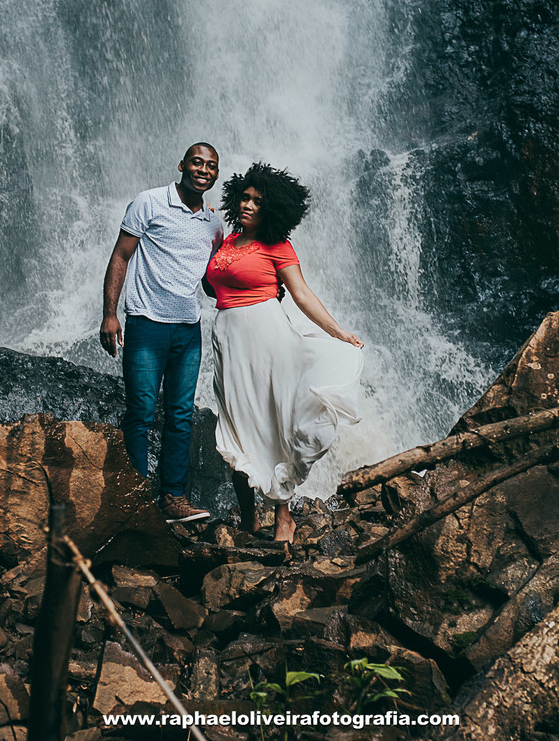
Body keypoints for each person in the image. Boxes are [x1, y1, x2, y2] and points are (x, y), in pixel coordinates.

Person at [205, 162, 364, 543]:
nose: (248, 205)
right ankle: (248, 519)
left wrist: (338, 331)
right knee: (234, 426)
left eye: (258, 202)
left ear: (271, 209)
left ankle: (283, 518)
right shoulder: (225, 242)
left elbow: (302, 294)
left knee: (271, 422)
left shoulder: (278, 246)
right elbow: (214, 289)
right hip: (228, 339)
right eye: (244, 197)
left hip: (267, 337)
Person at [100, 143, 222, 523]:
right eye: (198, 162)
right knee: (141, 411)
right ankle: (136, 498)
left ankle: (172, 498)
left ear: (216, 175)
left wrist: (257, 291)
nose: (204, 169)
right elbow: (121, 255)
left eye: (212, 166)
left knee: (180, 415)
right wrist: (109, 314)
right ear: (183, 165)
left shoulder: (214, 224)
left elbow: (209, 281)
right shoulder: (149, 202)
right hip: (147, 323)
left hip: (189, 331)